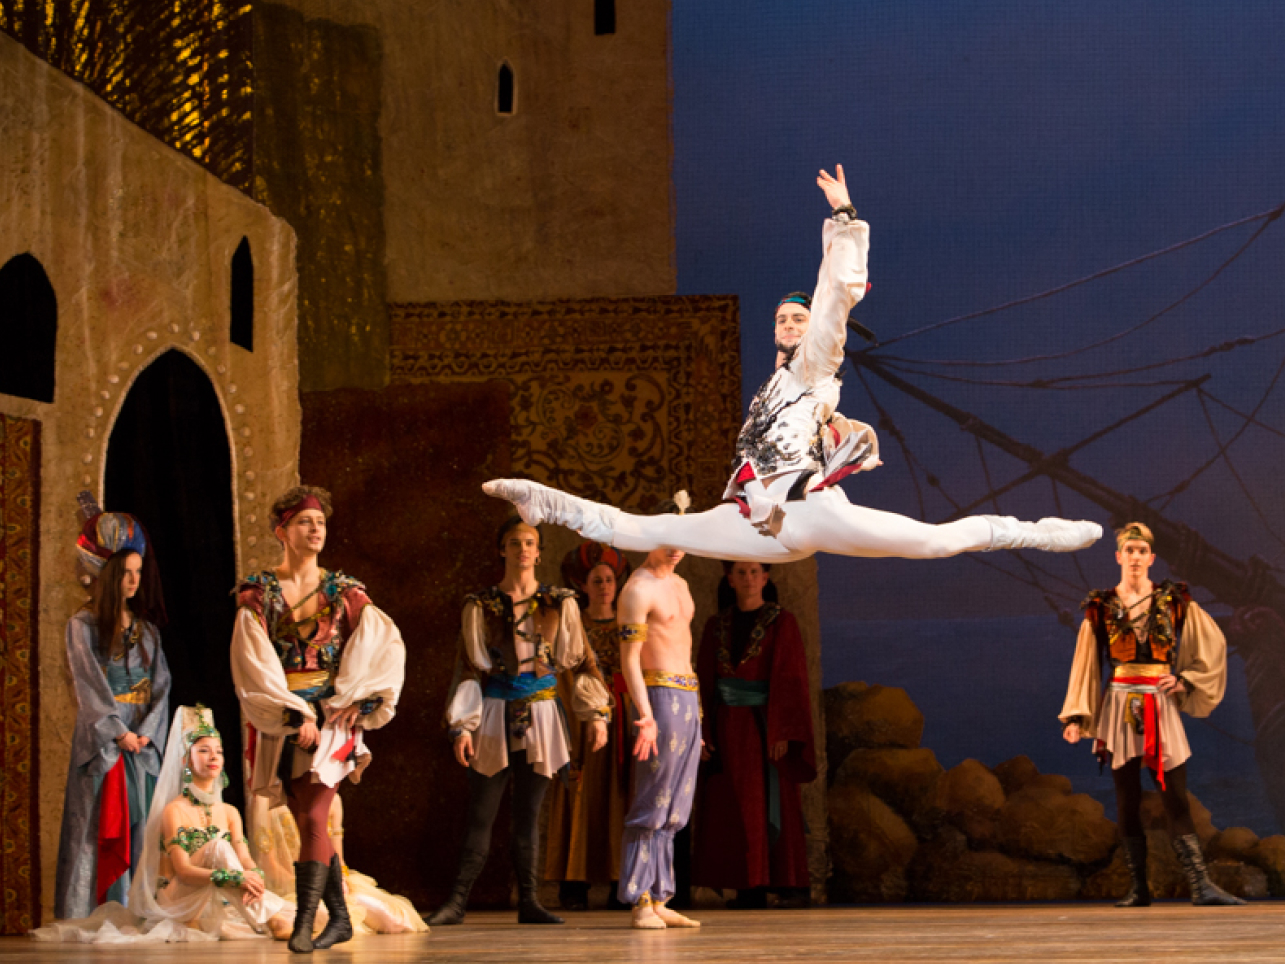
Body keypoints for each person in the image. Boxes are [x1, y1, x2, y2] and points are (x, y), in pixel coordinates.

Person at [483, 166, 1101, 563]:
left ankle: (1041, 532)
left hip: (807, 513)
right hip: (754, 519)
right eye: (781, 317)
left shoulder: (815, 366)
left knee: (936, 542)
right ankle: (545, 504)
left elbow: (833, 301)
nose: (788, 323)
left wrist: (844, 219)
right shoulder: (772, 385)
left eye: (796, 318)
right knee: (650, 531)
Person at [230, 486, 406, 953]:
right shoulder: (261, 594)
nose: (315, 529)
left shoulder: (345, 593)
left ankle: (306, 923)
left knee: (312, 817)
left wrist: (360, 701)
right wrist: (292, 714)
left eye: (320, 523)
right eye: (304, 522)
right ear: (281, 531)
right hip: (285, 720)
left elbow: (384, 646)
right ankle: (341, 919)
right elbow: (253, 661)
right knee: (307, 820)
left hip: (333, 722)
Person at [428, 518, 613, 926]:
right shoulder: (480, 605)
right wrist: (462, 727)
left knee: (528, 815)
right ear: (503, 550)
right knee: (482, 812)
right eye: (514, 543)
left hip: (542, 714)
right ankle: (456, 902)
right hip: (495, 711)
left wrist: (597, 715)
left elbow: (583, 661)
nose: (523, 549)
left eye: (530, 543)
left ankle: (529, 901)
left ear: (539, 553)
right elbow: (468, 668)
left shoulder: (559, 603)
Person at [1060, 522, 1243, 907]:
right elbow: (1085, 663)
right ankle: (1138, 888)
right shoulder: (1101, 607)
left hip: (1160, 704)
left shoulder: (1173, 601)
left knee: (1175, 797)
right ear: (1118, 556)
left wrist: (1186, 679)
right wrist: (1077, 717)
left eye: (1142, 551)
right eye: (1130, 551)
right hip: (1120, 704)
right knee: (1127, 798)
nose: (1136, 557)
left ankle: (1201, 886)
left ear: (1151, 557)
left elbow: (1212, 642)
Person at [34, 705, 291, 943]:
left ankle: (267, 914)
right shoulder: (174, 810)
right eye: (203, 750)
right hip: (176, 898)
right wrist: (236, 877)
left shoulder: (230, 811)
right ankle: (271, 918)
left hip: (211, 897)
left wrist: (253, 876)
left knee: (230, 857)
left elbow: (245, 859)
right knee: (219, 847)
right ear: (185, 760)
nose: (213, 756)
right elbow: (184, 870)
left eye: (219, 751)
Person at [55, 496, 172, 919]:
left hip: (140, 739)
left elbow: (161, 686)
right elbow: (88, 683)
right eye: (125, 573)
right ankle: (94, 909)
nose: (134, 581)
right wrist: (117, 732)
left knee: (142, 824)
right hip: (104, 741)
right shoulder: (82, 626)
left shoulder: (147, 631)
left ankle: (137, 910)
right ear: (107, 575)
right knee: (99, 824)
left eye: (138, 572)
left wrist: (145, 734)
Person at [693, 561, 816, 908]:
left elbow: (791, 677)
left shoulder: (781, 621)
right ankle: (746, 885)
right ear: (729, 579)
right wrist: (703, 729)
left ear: (765, 577)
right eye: (741, 572)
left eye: (754, 572)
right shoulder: (717, 625)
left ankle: (781, 883)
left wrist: (784, 730)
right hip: (726, 727)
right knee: (733, 804)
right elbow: (705, 678)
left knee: (768, 802)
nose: (748, 578)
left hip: (764, 728)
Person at [615, 510, 703, 930]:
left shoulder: (681, 584)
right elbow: (629, 658)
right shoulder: (638, 589)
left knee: (677, 802)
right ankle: (640, 899)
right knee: (653, 797)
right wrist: (646, 713)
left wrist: (698, 711)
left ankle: (661, 895)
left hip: (687, 692)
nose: (675, 549)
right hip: (659, 694)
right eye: (668, 538)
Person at [545, 541, 633, 910]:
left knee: (619, 795)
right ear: (582, 585)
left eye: (609, 580)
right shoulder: (572, 623)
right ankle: (574, 881)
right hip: (580, 716)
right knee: (577, 792)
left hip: (621, 718)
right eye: (597, 580)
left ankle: (619, 879)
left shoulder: (628, 623)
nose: (604, 587)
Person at [251, 794, 428, 936]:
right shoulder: (268, 800)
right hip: (292, 885)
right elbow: (269, 863)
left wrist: (341, 879)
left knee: (394, 920)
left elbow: (337, 856)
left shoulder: (333, 800)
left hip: (329, 881)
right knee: (326, 916)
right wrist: (310, 885)